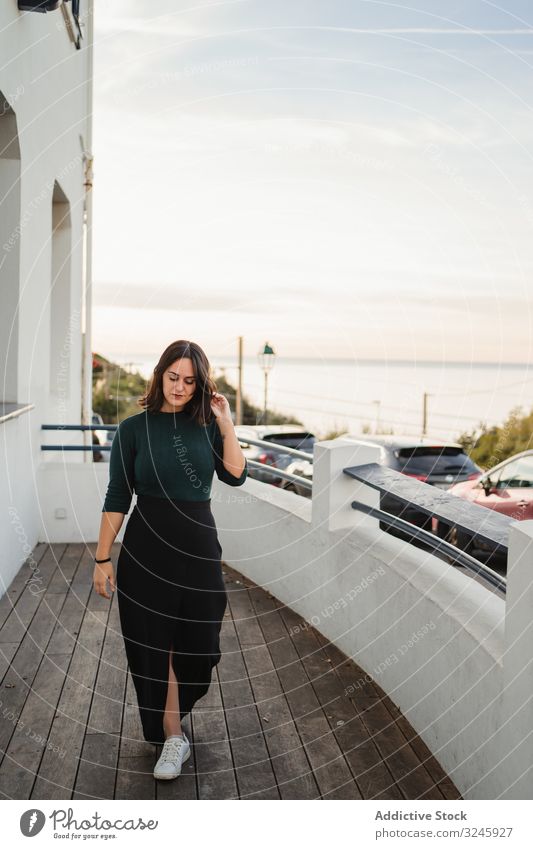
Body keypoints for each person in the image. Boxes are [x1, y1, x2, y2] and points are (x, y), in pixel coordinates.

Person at [92, 339, 248, 780]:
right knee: (155, 644)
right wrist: (103, 557)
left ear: (200, 385)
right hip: (146, 548)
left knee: (200, 642)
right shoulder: (133, 430)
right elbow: (117, 496)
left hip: (198, 548)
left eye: (189, 380)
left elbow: (235, 476)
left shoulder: (207, 425)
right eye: (173, 377)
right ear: (160, 374)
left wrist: (227, 424)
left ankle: (172, 724)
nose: (179, 387)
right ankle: (171, 735)